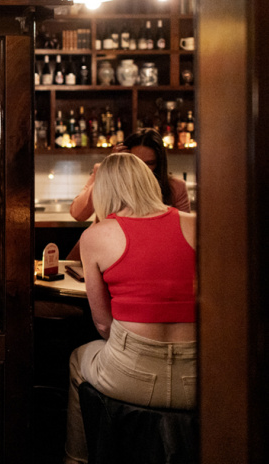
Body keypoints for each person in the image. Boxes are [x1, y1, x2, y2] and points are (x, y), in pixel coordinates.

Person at [64, 153, 197, 464]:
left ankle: (76, 460)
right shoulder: (195, 225)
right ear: (149, 182)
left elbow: (103, 325)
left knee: (78, 360)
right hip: (196, 379)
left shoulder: (95, 236)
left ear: (103, 190)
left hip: (130, 376)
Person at [66, 128, 190, 260]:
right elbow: (78, 214)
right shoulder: (107, 174)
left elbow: (184, 234)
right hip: (100, 252)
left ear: (159, 164)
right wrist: (109, 170)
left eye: (149, 163)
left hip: (149, 256)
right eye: (135, 162)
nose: (142, 169)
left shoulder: (175, 187)